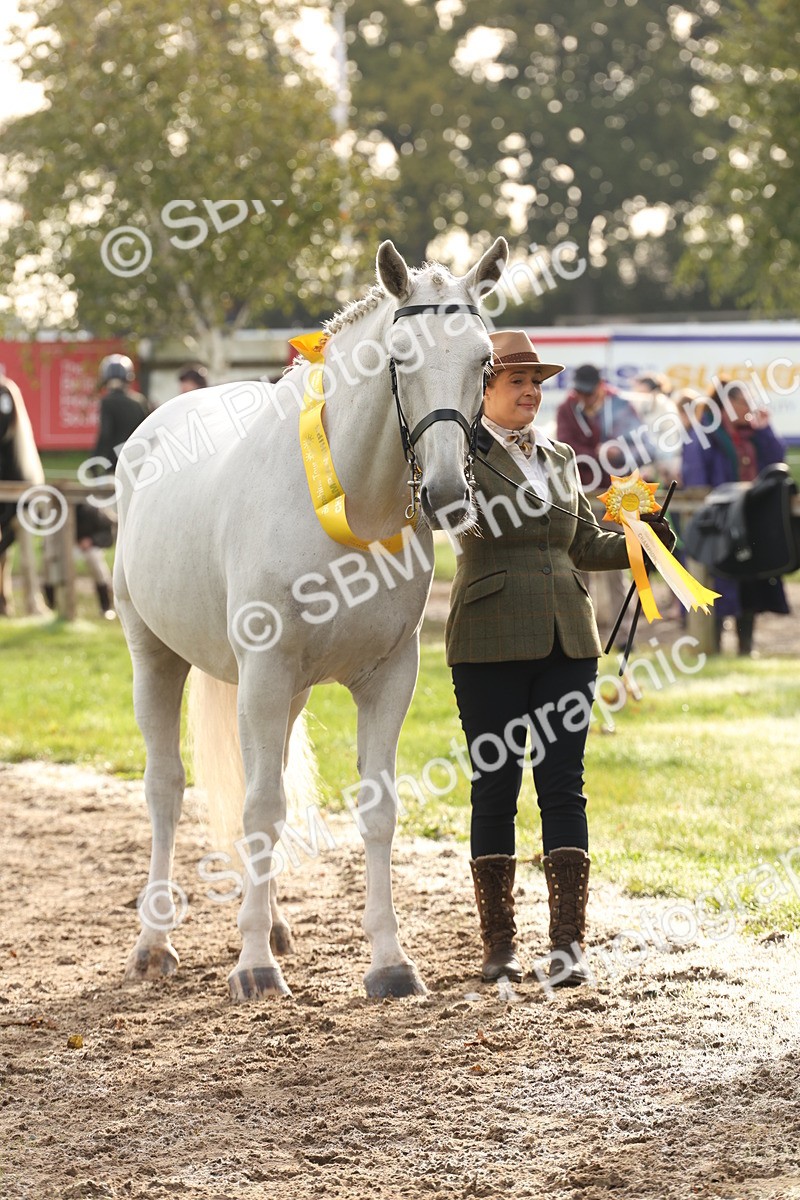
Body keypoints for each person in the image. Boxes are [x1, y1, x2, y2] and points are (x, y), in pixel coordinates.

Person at [446, 331, 674, 987]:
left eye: (535, 380)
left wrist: (644, 540)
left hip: (569, 640)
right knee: (495, 787)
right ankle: (498, 947)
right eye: (514, 380)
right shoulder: (458, 453)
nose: (529, 391)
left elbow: (580, 544)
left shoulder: (560, 454)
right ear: (483, 389)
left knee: (563, 786)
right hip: (488, 639)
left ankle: (567, 946)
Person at [682, 380, 788, 655]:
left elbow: (777, 461)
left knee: (749, 583)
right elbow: (696, 480)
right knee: (717, 582)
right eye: (745, 403)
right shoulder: (704, 433)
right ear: (727, 405)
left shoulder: (753, 433)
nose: (750, 409)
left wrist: (765, 432)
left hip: (749, 521)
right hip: (718, 523)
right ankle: (712, 647)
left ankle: (745, 647)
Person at [556, 364, 652, 648]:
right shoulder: (566, 409)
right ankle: (583, 630)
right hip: (582, 495)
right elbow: (565, 447)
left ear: (600, 386)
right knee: (579, 564)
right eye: (580, 392)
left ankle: (623, 634)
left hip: (615, 494)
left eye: (588, 391)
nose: (584, 397)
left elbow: (640, 446)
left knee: (616, 565)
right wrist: (598, 453)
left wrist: (617, 453)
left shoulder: (620, 406)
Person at [93, 355, 148, 473]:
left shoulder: (107, 401)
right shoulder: (139, 401)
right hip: (137, 460)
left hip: (115, 462)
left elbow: (105, 434)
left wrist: (94, 461)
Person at [630, 372, 681, 485]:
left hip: (663, 471)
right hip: (640, 469)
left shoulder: (665, 407)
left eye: (642, 393)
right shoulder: (633, 410)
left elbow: (670, 442)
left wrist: (658, 465)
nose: (638, 398)